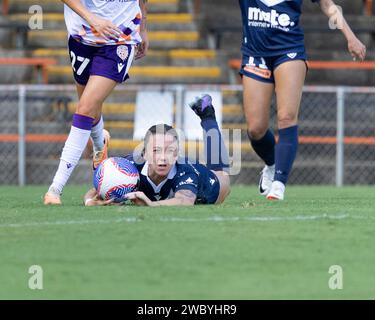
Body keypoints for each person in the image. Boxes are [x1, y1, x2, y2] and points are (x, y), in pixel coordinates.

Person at [239, 0, 366, 200]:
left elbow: (327, 4)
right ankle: (272, 164)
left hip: (289, 50)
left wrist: (351, 37)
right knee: (256, 129)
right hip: (255, 54)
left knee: (287, 117)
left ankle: (279, 185)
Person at [44, 0, 149, 205]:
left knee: (84, 108)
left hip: (120, 41)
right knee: (90, 108)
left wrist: (143, 28)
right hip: (81, 39)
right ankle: (101, 146)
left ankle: (55, 189)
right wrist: (93, 19)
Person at [84, 95, 231, 206]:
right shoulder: (128, 166)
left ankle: (207, 115)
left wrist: (150, 204)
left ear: (176, 154)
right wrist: (91, 201)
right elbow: (97, 188)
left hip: (214, 185)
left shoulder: (185, 170)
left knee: (221, 173)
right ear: (144, 154)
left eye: (170, 151)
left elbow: (184, 200)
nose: (163, 158)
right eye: (156, 150)